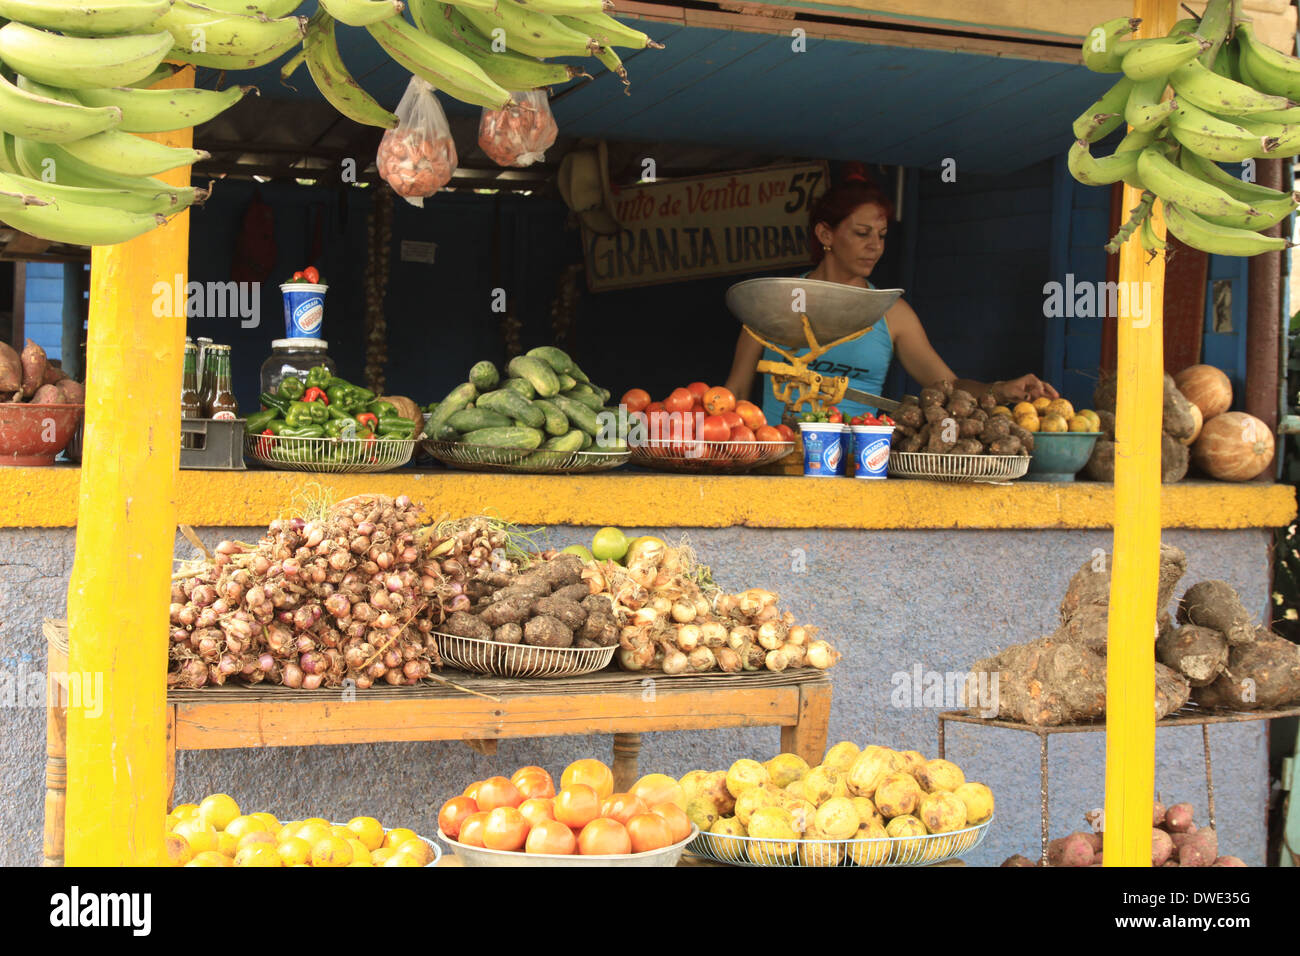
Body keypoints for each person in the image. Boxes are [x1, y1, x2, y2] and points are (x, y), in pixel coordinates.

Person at [723, 171, 1058, 424]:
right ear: (826, 234)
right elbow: (735, 393)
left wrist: (1000, 389)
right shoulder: (773, 302)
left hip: (861, 466)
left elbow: (950, 386)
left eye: (882, 236)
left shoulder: (893, 314)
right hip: (778, 465)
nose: (876, 247)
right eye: (862, 233)